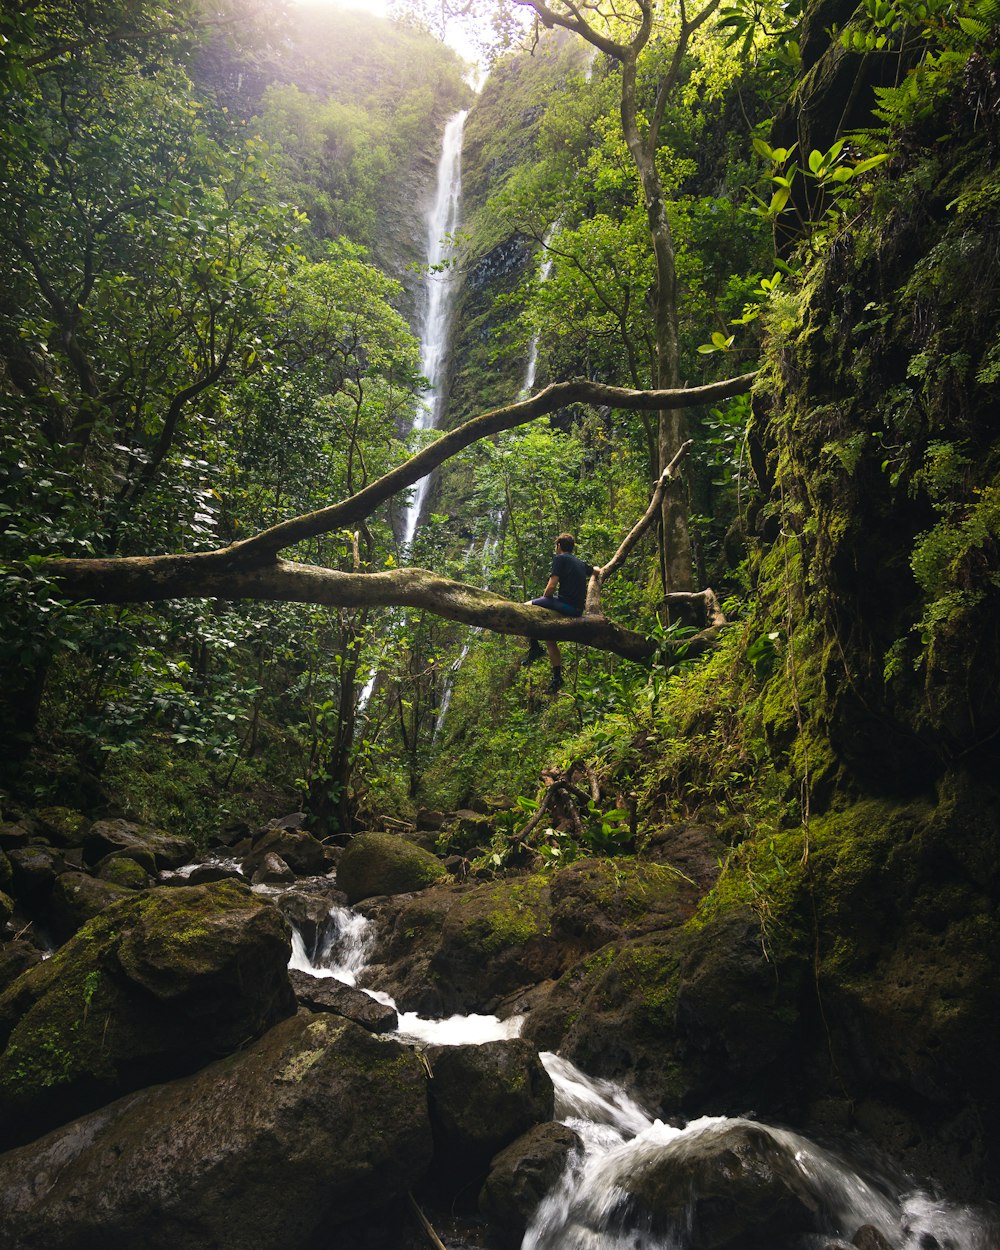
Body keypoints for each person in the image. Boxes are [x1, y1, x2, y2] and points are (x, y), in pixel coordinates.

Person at [524, 532, 592, 693]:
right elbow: (596, 571)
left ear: (559, 546)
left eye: (556, 546)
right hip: (575, 609)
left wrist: (545, 598)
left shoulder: (559, 559)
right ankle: (557, 677)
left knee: (525, 608)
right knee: (549, 638)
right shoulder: (580, 562)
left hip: (566, 605)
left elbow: (552, 585)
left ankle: (534, 647)